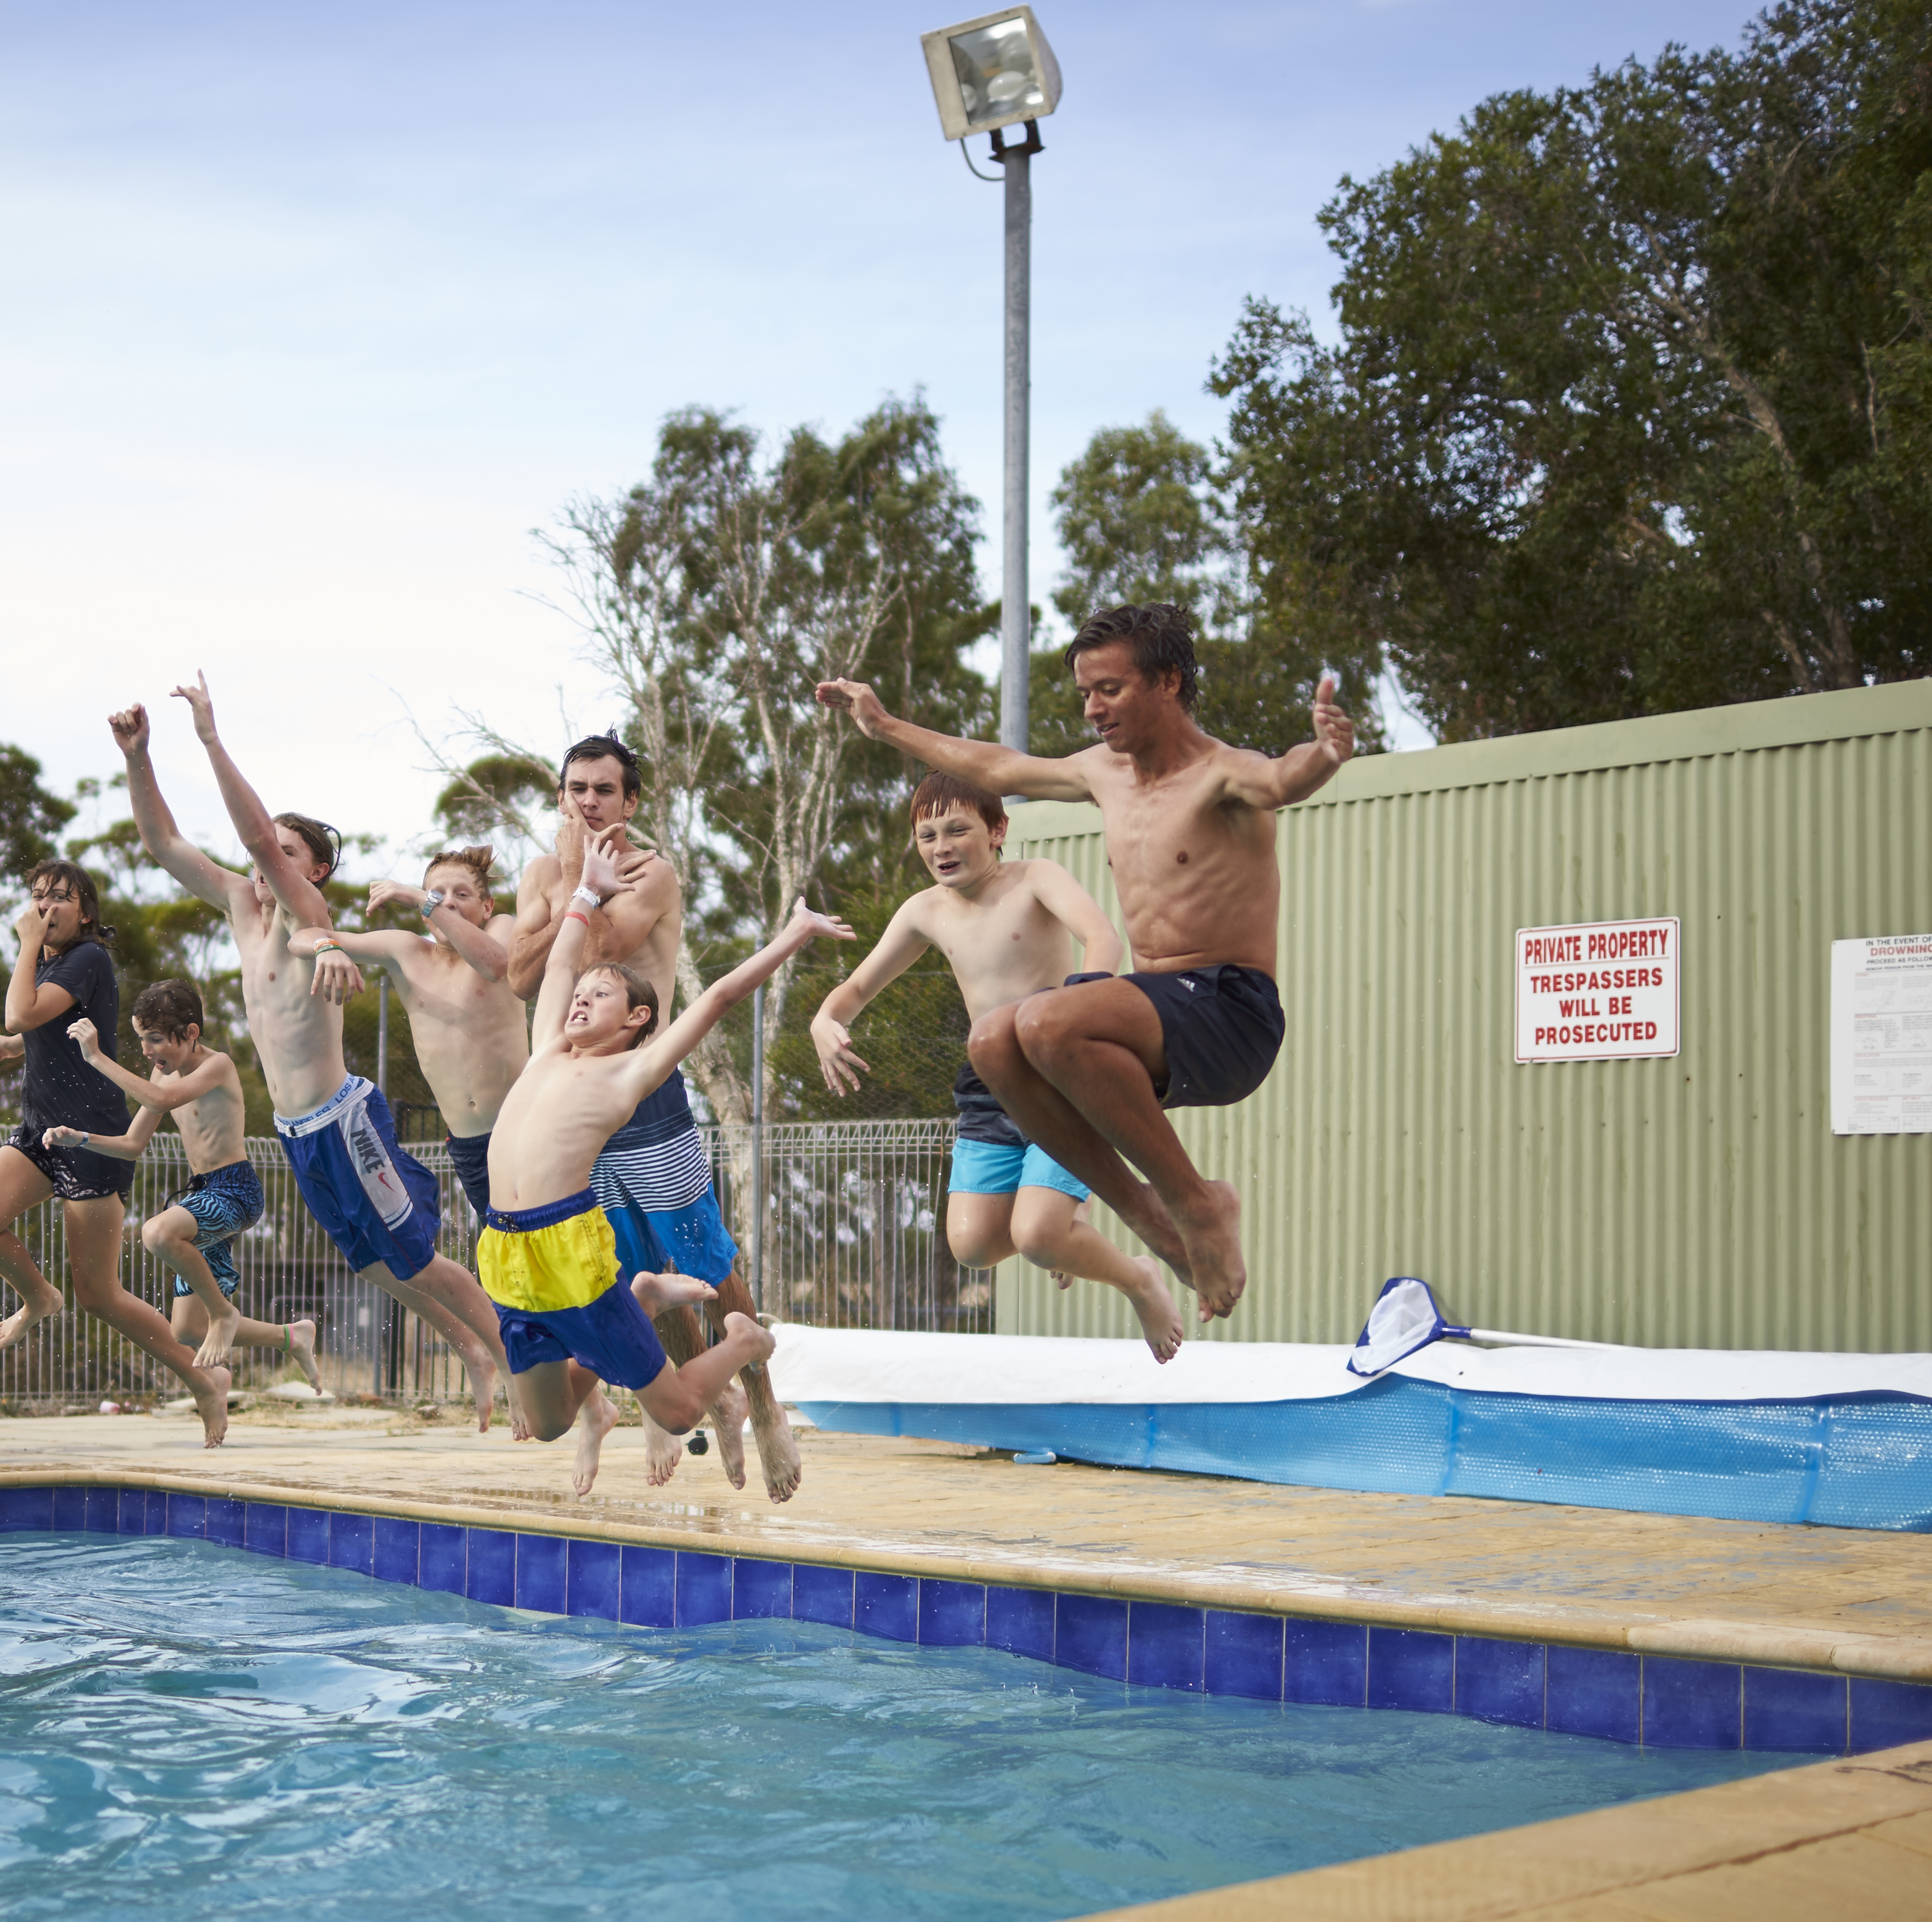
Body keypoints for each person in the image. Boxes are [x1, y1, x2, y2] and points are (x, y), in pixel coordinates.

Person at [816, 602, 1355, 1332]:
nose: (1093, 709)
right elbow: (996, 766)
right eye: (1084, 694)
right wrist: (887, 729)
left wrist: (1323, 754)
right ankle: (1153, 1223)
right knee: (991, 1043)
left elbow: (1281, 780)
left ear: (1168, 682)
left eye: (1110, 689)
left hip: (1231, 1009)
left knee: (1040, 1022)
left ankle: (1197, 1202)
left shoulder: (1223, 774)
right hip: (1162, 1011)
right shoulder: (1107, 774)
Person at [110, 675, 509, 1429]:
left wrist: (207, 737)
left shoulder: (309, 912)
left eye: (289, 855)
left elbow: (260, 838)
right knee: (373, 1267)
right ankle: (472, 1353)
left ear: (312, 871)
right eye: (270, 854)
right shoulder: (238, 905)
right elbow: (162, 843)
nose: (267, 862)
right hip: (299, 1134)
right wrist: (140, 757)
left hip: (343, 1119)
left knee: (417, 1259)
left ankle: (513, 1361)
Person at [485, 830, 851, 1495]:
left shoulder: (629, 1074)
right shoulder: (545, 1049)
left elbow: (719, 1000)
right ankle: (646, 1297)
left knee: (680, 1412)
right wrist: (587, 890)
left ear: (637, 1019)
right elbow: (562, 959)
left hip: (566, 1253)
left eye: (601, 996)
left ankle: (742, 1339)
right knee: (547, 1422)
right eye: (580, 994)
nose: (579, 999)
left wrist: (795, 934)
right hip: (504, 1251)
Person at [810, 772, 1183, 1361]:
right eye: (928, 835)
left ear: (998, 830)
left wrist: (1073, 1010)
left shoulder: (1037, 878)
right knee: (974, 1245)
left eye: (959, 829)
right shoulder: (923, 911)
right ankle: (1064, 1236)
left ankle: (1137, 1278)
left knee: (1035, 1235)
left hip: (1060, 1077)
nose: (943, 846)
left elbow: (1103, 940)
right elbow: (855, 989)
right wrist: (824, 1021)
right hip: (991, 1087)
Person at [0, 858, 231, 1438]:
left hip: (91, 1141)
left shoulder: (87, 958)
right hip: (39, 1133)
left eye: (59, 897)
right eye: (37, 897)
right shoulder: (55, 964)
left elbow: (23, 1009)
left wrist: (23, 963)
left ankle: (204, 1379)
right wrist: (16, 1046)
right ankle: (39, 1297)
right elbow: (48, 1030)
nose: (45, 906)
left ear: (85, 911)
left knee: (101, 1296)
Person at [54, 977, 323, 1395]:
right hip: (203, 1197)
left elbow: (162, 1102)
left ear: (192, 1033)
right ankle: (292, 1337)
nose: (147, 1050)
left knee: (158, 1232)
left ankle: (224, 1314)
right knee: (187, 1329)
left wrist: (97, 1058)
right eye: (143, 1039)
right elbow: (132, 1145)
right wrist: (82, 1139)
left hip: (235, 1191)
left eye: (157, 1039)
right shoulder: (161, 1076)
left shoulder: (218, 1066)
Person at [324, 848, 532, 1231]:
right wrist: (325, 949)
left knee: (555, 1246)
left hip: (524, 1129)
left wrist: (426, 900)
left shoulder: (502, 927)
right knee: (508, 1255)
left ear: (486, 907)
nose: (447, 903)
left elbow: (494, 965)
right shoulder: (408, 952)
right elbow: (303, 937)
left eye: (461, 895)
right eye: (437, 893)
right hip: (468, 1146)